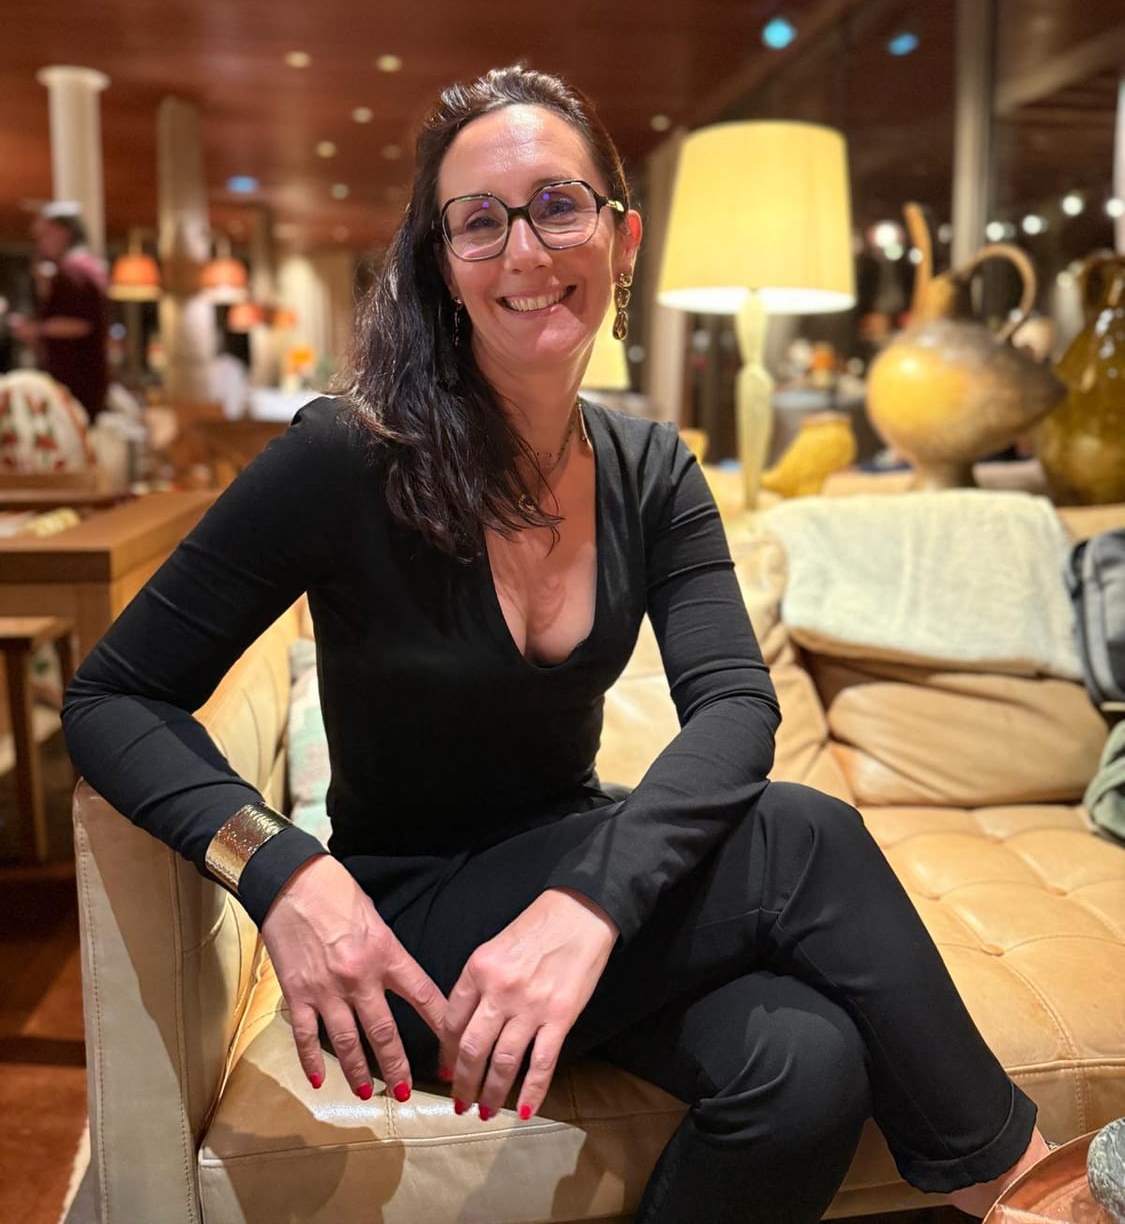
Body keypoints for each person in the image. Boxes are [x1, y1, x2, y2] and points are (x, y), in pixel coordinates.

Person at [62, 65, 1049, 1222]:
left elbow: (737, 708)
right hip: (410, 927)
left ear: (622, 240)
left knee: (805, 1066)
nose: (524, 249)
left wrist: (589, 906)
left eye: (558, 206)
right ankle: (1035, 1193)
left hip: (566, 875)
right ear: (444, 265)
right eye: (479, 221)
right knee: (804, 836)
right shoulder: (345, 458)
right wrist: (280, 869)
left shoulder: (652, 470)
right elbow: (112, 700)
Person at [10, 201, 109, 422]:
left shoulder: (74, 270)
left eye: (44, 235)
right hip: (81, 382)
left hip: (76, 382)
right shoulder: (83, 267)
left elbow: (80, 324)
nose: (40, 244)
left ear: (63, 232)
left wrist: (36, 329)